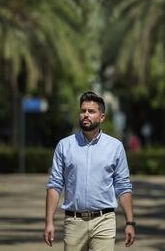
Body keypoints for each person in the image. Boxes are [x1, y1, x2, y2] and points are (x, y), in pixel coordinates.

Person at [44, 91, 136, 250]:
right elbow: (55, 185)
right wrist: (49, 223)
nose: (86, 115)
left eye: (91, 111)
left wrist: (129, 222)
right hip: (74, 222)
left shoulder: (115, 147)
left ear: (102, 117)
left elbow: (123, 186)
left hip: (104, 221)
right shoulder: (64, 146)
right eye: (83, 111)